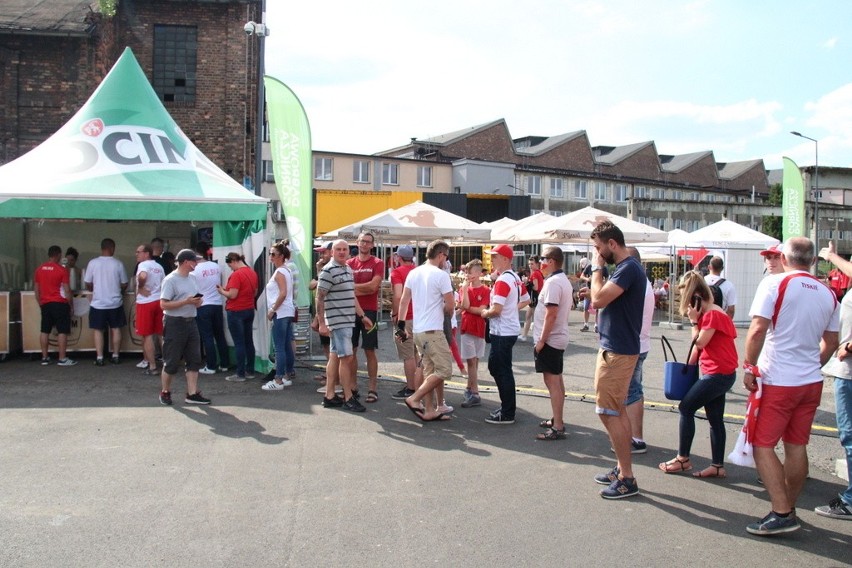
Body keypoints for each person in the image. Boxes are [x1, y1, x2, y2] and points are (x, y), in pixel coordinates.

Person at [743, 237, 839, 535]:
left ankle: (782, 512)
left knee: (762, 445)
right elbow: (832, 342)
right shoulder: (827, 292)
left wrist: (748, 366)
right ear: (812, 261)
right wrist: (812, 364)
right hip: (810, 381)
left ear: (784, 258)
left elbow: (758, 329)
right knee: (796, 445)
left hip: (779, 381)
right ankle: (788, 506)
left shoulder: (774, 284)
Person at [584, 220, 645, 499]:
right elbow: (603, 298)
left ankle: (627, 478)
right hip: (616, 347)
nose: (597, 254)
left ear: (611, 244)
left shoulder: (628, 268)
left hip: (618, 351)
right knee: (616, 409)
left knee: (607, 412)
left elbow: (598, 300)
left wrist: (597, 269)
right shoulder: (624, 269)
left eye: (598, 248)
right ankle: (622, 469)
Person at [658, 271, 738, 478]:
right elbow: (701, 348)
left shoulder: (711, 315)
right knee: (715, 419)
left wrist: (694, 322)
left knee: (686, 408)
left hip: (717, 374)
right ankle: (717, 466)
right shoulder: (717, 311)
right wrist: (688, 367)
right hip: (722, 373)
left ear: (695, 297)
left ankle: (683, 459)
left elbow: (700, 342)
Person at [398, 239, 455, 422]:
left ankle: (429, 410)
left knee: (430, 371)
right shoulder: (441, 275)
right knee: (445, 370)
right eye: (446, 257)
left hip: (418, 330)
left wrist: (400, 324)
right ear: (440, 255)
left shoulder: (414, 273)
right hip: (433, 330)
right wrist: (448, 309)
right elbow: (450, 306)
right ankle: (414, 398)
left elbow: (404, 300)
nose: (446, 261)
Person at [817, 240, 852, 520]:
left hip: (849, 370)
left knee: (849, 435)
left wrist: (831, 255)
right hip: (845, 369)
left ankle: (851, 500)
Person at [316, 239, 370, 413]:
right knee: (347, 359)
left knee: (335, 357)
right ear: (332, 252)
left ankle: (330, 395)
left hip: (347, 320)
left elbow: (351, 295)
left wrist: (362, 316)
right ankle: (348, 397)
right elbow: (320, 298)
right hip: (338, 322)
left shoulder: (347, 269)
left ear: (348, 252)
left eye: (344, 249)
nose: (341, 252)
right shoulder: (328, 271)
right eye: (338, 249)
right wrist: (322, 323)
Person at [481, 244, 530, 425]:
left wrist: (484, 313)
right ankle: (507, 408)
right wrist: (510, 310)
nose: (492, 260)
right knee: (498, 368)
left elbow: (496, 310)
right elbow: (526, 300)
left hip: (502, 331)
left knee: (500, 369)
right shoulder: (514, 277)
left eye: (495, 256)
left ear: (505, 259)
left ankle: (508, 411)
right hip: (507, 329)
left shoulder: (503, 280)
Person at [158, 249, 210, 406]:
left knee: (194, 359)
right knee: (171, 361)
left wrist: (197, 302)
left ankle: (192, 393)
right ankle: (165, 392)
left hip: (191, 321)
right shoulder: (170, 280)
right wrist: (185, 302)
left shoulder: (193, 278)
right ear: (186, 262)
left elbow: (195, 298)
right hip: (174, 322)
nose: (196, 264)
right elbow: (163, 304)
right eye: (194, 261)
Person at [533, 246, 572, 440]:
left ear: (552, 260)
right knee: (556, 380)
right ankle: (558, 419)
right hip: (557, 336)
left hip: (552, 338)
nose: (541, 262)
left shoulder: (554, 283)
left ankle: (557, 426)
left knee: (552, 381)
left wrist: (541, 340)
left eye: (543, 259)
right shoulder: (559, 280)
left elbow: (551, 314)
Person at [622, 247, 655, 453]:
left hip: (633, 345)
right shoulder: (644, 283)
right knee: (634, 390)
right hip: (639, 343)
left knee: (632, 391)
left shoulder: (637, 283)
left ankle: (636, 438)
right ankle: (634, 437)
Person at [347, 231, 384, 401]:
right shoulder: (348, 263)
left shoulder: (377, 262)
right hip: (350, 311)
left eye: (368, 242)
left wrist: (351, 288)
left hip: (369, 311)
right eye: (362, 241)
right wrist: (362, 287)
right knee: (351, 350)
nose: (364, 244)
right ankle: (353, 387)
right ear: (357, 242)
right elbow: (367, 287)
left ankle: (372, 388)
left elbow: (373, 287)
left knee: (369, 350)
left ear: (372, 245)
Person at [84, 238, 129, 366]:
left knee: (98, 330)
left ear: (102, 248)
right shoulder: (118, 264)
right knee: (116, 329)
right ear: (112, 248)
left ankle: (99, 357)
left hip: (98, 303)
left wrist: (92, 289)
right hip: (115, 303)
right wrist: (120, 290)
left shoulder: (93, 263)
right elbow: (125, 283)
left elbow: (88, 282)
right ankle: (115, 356)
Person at [218, 252, 259, 382]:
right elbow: (255, 291)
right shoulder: (252, 272)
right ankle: (250, 370)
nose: (230, 267)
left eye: (230, 265)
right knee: (248, 341)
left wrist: (222, 291)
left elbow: (232, 295)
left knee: (239, 343)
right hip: (249, 309)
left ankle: (240, 373)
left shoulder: (236, 275)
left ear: (233, 261)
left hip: (236, 311)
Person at [33, 245, 76, 366]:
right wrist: (71, 305)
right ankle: (62, 358)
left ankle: (45, 357)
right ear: (57, 255)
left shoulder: (39, 269)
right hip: (60, 303)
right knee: (62, 331)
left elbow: (36, 289)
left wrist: (40, 302)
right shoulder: (62, 270)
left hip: (45, 304)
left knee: (44, 330)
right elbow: (67, 290)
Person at [262, 241, 296, 391]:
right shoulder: (285, 270)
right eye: (270, 253)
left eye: (273, 254)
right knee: (286, 346)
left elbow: (282, 293)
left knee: (280, 347)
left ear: (281, 256)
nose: (270, 256)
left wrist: (272, 309)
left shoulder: (281, 271)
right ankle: (286, 375)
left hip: (281, 312)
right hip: (286, 311)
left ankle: (278, 379)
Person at [191, 242, 229, 375]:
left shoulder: (194, 270)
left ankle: (211, 365)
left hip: (203, 305)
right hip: (217, 304)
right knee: (219, 335)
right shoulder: (216, 266)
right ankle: (224, 364)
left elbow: (192, 289)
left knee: (207, 337)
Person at [390, 244, 420, 401]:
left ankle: (411, 388)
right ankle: (417, 384)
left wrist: (395, 314)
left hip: (405, 317)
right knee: (416, 352)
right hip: (420, 317)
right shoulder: (419, 271)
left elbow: (398, 295)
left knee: (407, 353)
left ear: (399, 257)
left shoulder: (397, 272)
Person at [459, 259, 490, 408]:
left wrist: (469, 308)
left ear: (478, 274)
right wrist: (465, 290)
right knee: (471, 361)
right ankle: (475, 392)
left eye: (469, 272)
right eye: (466, 272)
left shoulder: (485, 290)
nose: (467, 275)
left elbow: (482, 310)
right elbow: (465, 305)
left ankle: (469, 387)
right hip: (467, 327)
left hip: (479, 328)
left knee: (476, 361)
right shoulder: (464, 288)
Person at [134, 244, 165, 375]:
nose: (137, 254)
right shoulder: (159, 267)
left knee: (147, 335)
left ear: (147, 253)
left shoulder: (143, 265)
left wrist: (140, 287)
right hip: (159, 301)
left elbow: (142, 276)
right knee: (161, 334)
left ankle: (152, 366)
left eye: (138, 252)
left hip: (145, 302)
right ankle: (167, 362)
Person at [310, 242, 333, 386]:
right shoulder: (323, 270)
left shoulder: (330, 270)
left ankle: (333, 378)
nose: (320, 255)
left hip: (330, 316)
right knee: (326, 347)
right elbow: (313, 287)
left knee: (332, 348)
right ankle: (329, 373)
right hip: (322, 315)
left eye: (323, 252)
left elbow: (315, 287)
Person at [579, 257, 607, 332]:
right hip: (589, 289)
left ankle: (597, 325)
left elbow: (607, 278)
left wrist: (604, 282)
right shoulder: (589, 267)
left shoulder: (604, 268)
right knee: (586, 307)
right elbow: (581, 276)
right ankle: (586, 324)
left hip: (598, 290)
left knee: (598, 307)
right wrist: (587, 279)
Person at [519, 255, 543, 342]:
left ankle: (536, 338)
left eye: (532, 264)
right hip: (535, 298)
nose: (530, 266)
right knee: (528, 316)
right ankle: (524, 335)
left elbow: (536, 288)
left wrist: (527, 283)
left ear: (537, 264)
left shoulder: (535, 273)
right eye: (529, 264)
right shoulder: (537, 273)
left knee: (535, 319)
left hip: (535, 298)